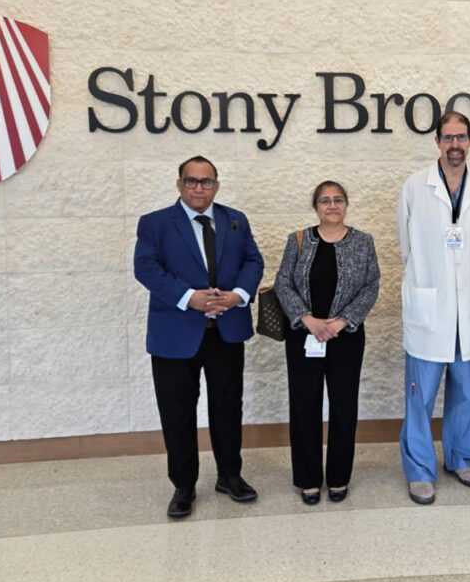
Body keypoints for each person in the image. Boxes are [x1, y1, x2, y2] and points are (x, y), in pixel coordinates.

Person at [134, 155, 264, 518]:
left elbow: (253, 261)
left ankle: (230, 476)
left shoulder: (235, 220)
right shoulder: (155, 223)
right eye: (191, 181)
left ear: (216, 186)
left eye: (206, 182)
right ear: (179, 184)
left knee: (228, 407)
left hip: (226, 331)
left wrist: (239, 295)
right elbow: (145, 267)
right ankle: (183, 485)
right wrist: (187, 297)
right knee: (177, 412)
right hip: (175, 335)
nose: (198, 188)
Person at [396, 111, 470, 505]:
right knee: (420, 396)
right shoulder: (415, 187)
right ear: (437, 141)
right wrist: (428, 279)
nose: (455, 145)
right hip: (430, 307)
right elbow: (406, 246)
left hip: (468, 309)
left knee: (467, 393)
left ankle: (460, 458)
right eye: (448, 137)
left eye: (461, 137)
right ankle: (420, 469)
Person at [274, 181, 381, 505]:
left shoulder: (363, 241)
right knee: (304, 406)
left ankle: (338, 477)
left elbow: (371, 285)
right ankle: (308, 479)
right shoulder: (298, 239)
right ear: (315, 206)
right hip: (303, 335)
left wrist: (342, 321)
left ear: (346, 205)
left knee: (344, 407)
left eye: (338, 200)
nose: (332, 205)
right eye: (325, 200)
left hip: (346, 337)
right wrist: (307, 319)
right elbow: (283, 282)